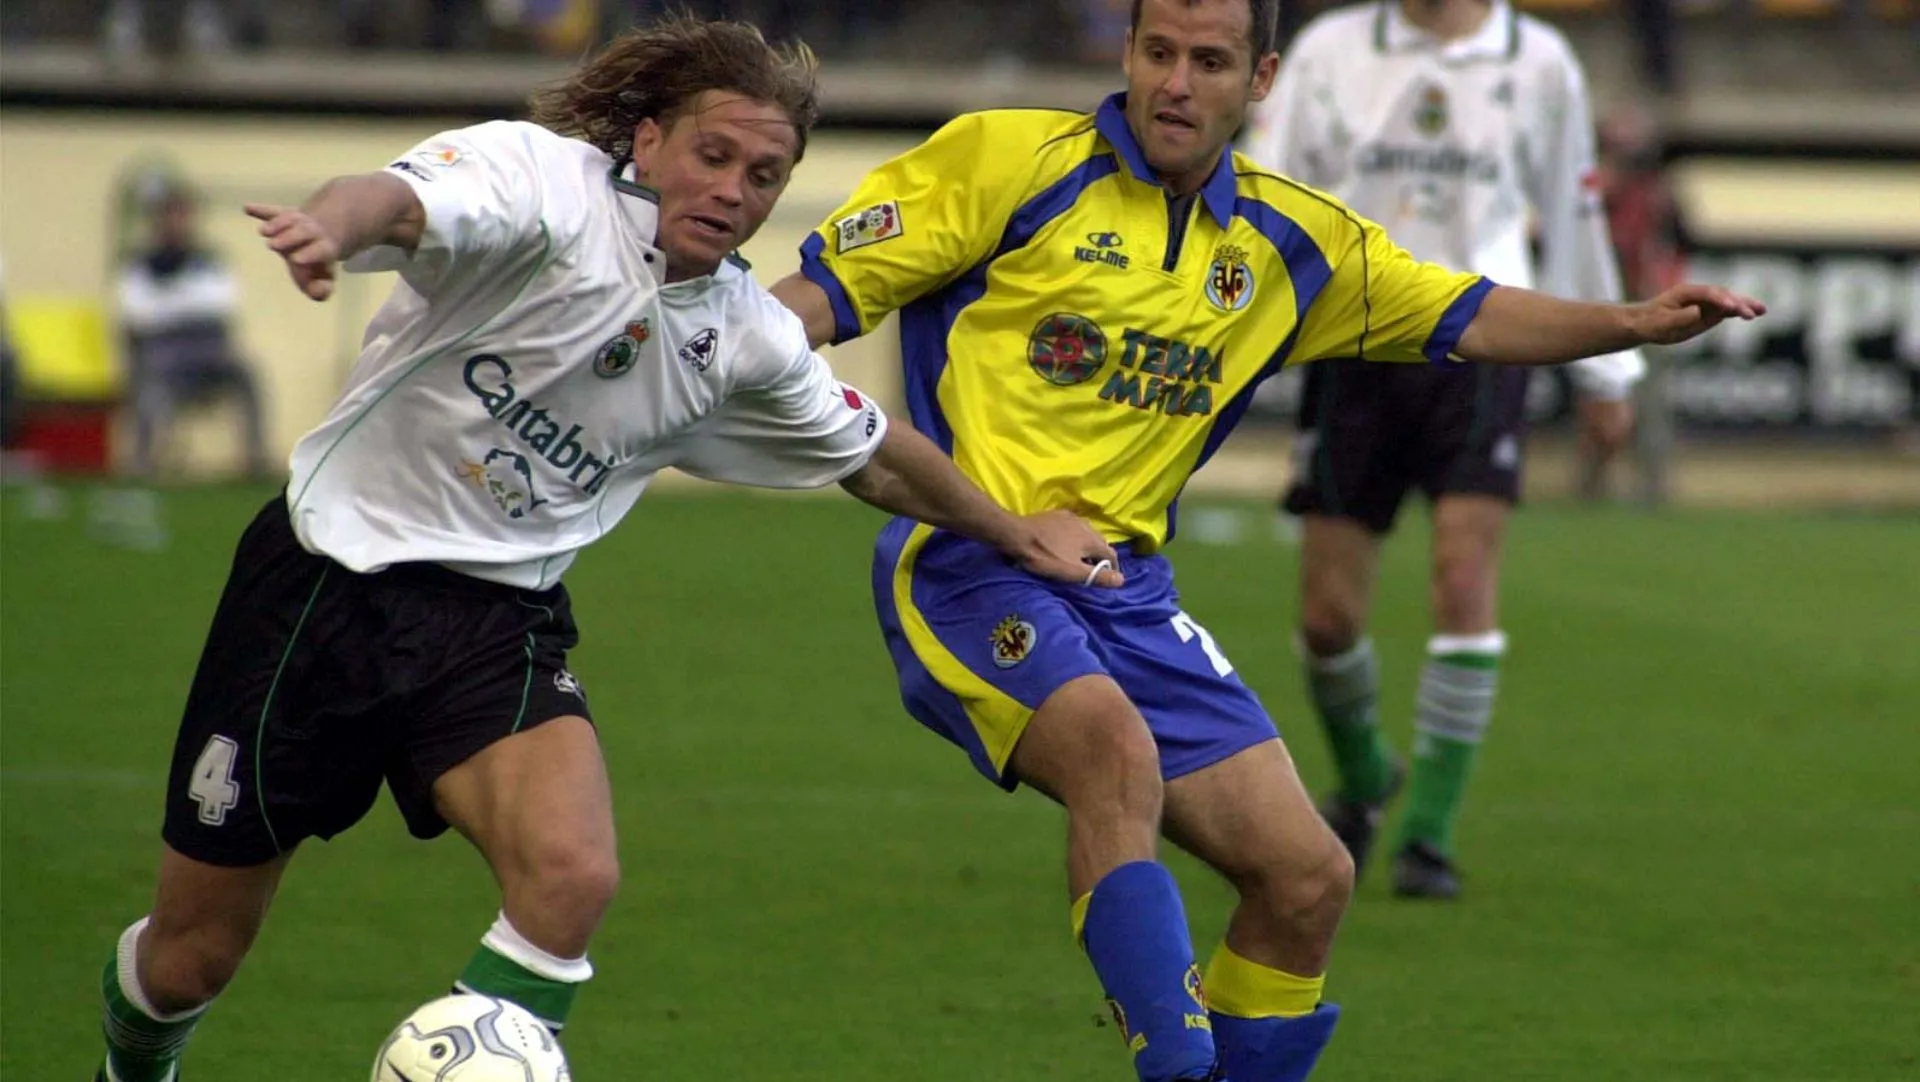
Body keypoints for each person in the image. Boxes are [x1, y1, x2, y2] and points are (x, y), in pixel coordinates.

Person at [90, 16, 1122, 1082]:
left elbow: (877, 455)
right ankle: (132, 1066)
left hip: (496, 623)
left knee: (572, 875)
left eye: (765, 174)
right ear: (647, 141)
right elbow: (395, 199)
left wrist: (1013, 528)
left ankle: (477, 1060)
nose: (734, 188)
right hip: (320, 594)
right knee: (190, 959)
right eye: (713, 155)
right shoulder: (539, 184)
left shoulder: (743, 333)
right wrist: (329, 228)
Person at [771, 0, 1760, 1078]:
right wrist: (701, 345)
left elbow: (1465, 311)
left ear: (1261, 78)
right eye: (1158, 54)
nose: (1177, 84)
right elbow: (803, 306)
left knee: (1307, 876)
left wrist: (1631, 323)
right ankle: (1176, 1059)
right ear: (1128, 55)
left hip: (1128, 590)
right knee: (1115, 752)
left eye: (1208, 62)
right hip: (970, 561)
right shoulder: (1006, 163)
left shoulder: (1293, 243)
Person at [1238, 0, 1647, 900]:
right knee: (1326, 619)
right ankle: (1367, 770)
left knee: (1464, 579)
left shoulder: (1540, 61)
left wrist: (1608, 375)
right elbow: (1259, 195)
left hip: (1484, 337)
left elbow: (1574, 215)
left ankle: (1428, 834)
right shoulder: (1330, 51)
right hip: (1354, 344)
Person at [117, 175, 271, 483]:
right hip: (163, 353)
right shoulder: (139, 264)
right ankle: (143, 463)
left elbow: (221, 304)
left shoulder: (210, 260)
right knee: (148, 381)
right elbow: (137, 314)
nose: (177, 222)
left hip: (209, 351)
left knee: (247, 373)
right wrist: (186, 300)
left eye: (182, 214)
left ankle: (255, 458)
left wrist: (167, 302)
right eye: (169, 214)